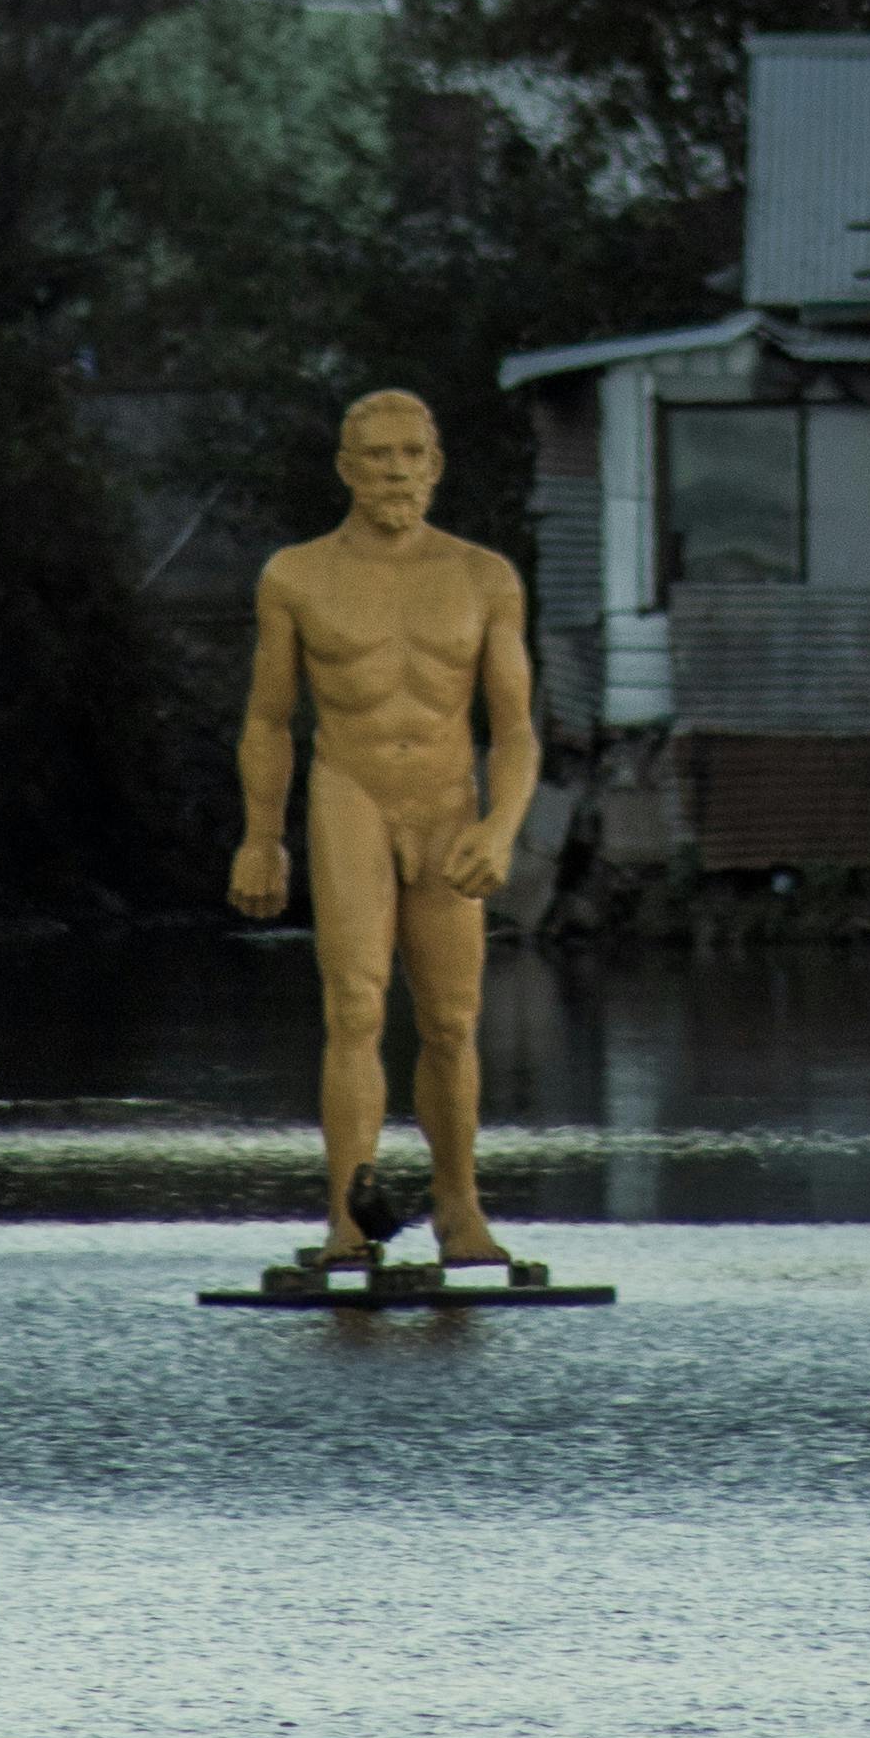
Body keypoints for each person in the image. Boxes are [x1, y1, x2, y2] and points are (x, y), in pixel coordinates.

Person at [228, 388, 538, 1269]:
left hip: (446, 799)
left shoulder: (485, 577)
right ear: (345, 467)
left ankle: (461, 1211)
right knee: (355, 1007)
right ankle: (347, 1217)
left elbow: (513, 727)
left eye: (412, 454)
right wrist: (260, 834)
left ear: (436, 465)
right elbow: (267, 717)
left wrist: (503, 822)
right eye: (377, 455)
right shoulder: (296, 574)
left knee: (451, 1017)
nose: (396, 470)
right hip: (349, 792)